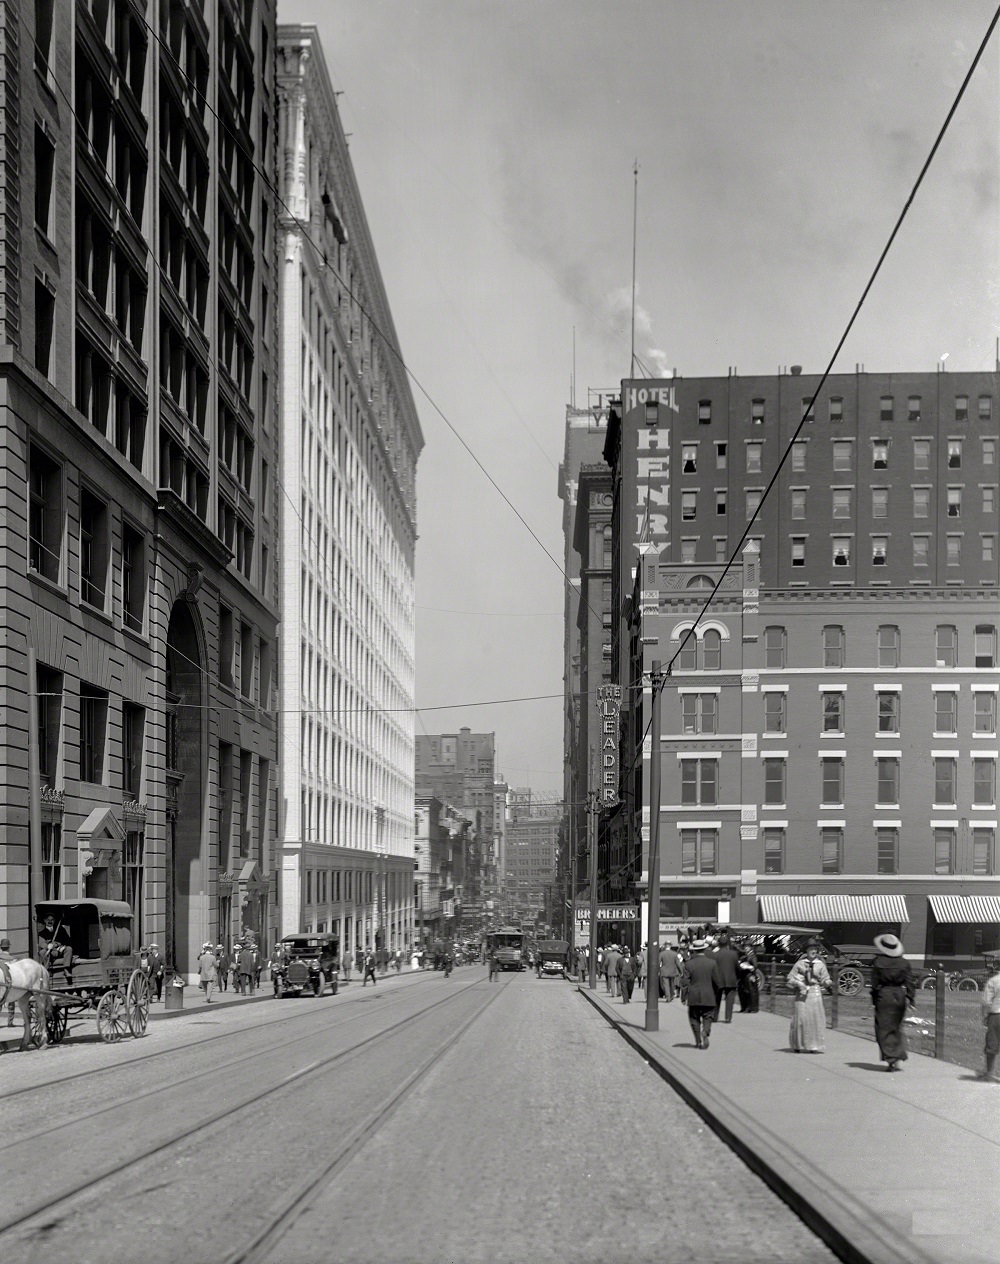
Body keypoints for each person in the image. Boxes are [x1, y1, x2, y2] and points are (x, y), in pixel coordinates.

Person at [869, 932, 915, 1071]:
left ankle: (890, 1058)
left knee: (883, 1028)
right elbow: (909, 983)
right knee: (896, 1026)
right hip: (899, 995)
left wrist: (874, 999)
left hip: (884, 995)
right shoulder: (904, 963)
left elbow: (875, 984)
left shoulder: (878, 963)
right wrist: (911, 999)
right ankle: (898, 1054)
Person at [787, 938, 831, 1052]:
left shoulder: (820, 964)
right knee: (801, 1018)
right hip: (802, 994)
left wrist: (827, 982)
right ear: (806, 951)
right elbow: (790, 978)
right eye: (811, 949)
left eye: (815, 949)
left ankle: (813, 1045)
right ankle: (798, 1045)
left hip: (815, 993)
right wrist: (798, 983)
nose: (813, 951)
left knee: (815, 1019)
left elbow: (825, 978)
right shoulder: (799, 963)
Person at [682, 939, 721, 1049]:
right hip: (709, 995)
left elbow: (684, 982)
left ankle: (698, 1040)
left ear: (694, 951)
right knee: (708, 1016)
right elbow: (717, 982)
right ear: (704, 950)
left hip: (693, 996)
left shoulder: (688, 964)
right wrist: (715, 993)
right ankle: (706, 1031)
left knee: (694, 1018)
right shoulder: (712, 963)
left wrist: (683, 997)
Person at [711, 932, 741, 1023]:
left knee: (716, 999)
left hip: (718, 979)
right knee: (730, 1000)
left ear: (718, 944)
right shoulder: (734, 954)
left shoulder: (714, 954)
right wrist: (738, 977)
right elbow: (737, 967)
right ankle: (728, 1018)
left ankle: (715, 1017)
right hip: (731, 979)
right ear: (728, 944)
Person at [981, 956, 1000, 1083]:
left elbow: (986, 1001)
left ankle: (990, 1073)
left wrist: (984, 1016)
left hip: (996, 1015)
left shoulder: (993, 981)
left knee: (992, 1044)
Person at [736, 942, 759, 1014]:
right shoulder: (745, 956)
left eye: (747, 946)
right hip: (744, 975)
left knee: (751, 992)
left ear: (750, 948)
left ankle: (752, 1008)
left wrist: (748, 967)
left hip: (750, 975)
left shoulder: (752, 956)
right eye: (745, 946)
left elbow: (755, 966)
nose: (746, 948)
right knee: (744, 991)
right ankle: (744, 1007)